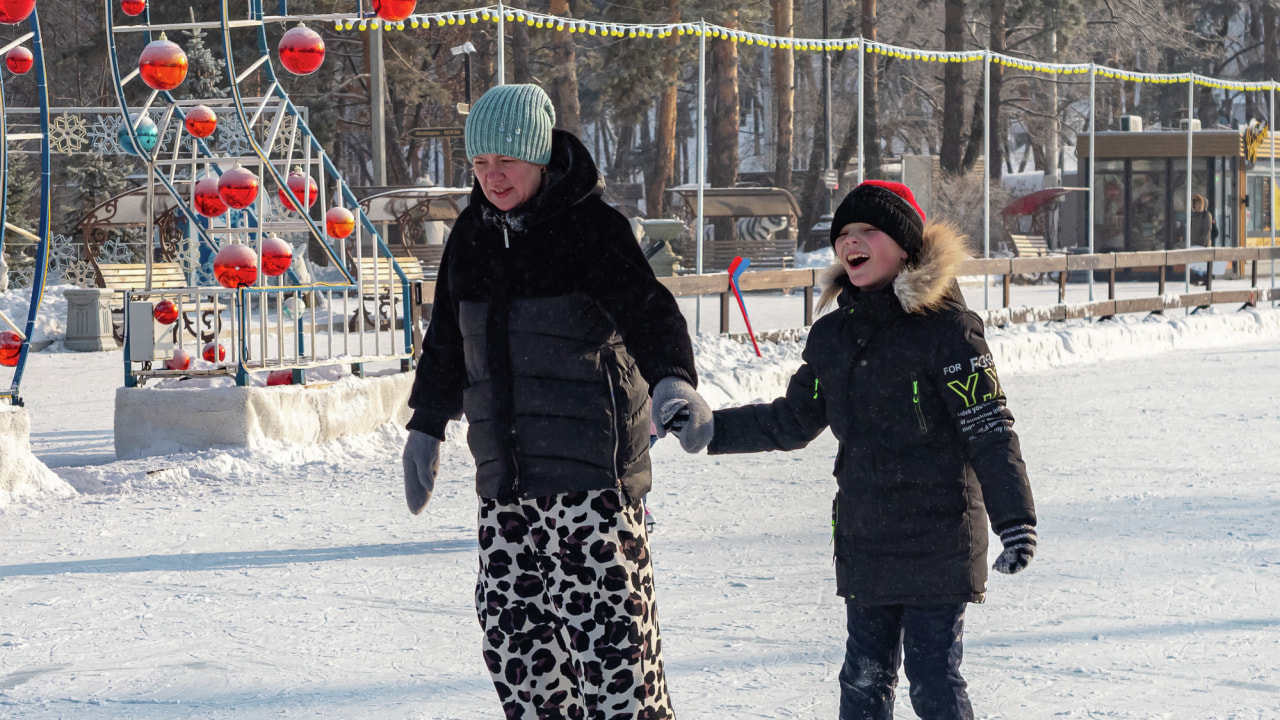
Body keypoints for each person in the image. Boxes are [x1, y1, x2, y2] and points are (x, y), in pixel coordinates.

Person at [664, 180, 1037, 720]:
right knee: (862, 679)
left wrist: (1015, 520)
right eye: (843, 234)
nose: (850, 242)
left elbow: (989, 429)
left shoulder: (950, 332)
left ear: (906, 246)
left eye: (868, 231)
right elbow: (792, 421)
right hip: (866, 534)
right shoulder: (834, 337)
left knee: (933, 681)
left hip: (940, 534)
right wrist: (711, 429)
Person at [400, 83, 712, 720]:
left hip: (590, 485)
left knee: (615, 659)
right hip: (505, 487)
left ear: (539, 158)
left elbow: (650, 312)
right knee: (519, 654)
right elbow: (445, 341)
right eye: (480, 165)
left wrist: (674, 378)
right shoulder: (471, 234)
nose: (492, 177)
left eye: (505, 163)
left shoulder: (592, 229)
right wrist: (426, 424)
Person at [1189, 193, 1216, 284]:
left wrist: (1203, 243)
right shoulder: (1193, 215)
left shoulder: (1206, 215)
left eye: (1196, 203)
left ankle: (1206, 278)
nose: (1195, 205)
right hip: (1194, 242)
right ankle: (1196, 277)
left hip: (1202, 243)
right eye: (1194, 203)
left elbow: (1207, 230)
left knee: (1203, 262)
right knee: (1195, 261)